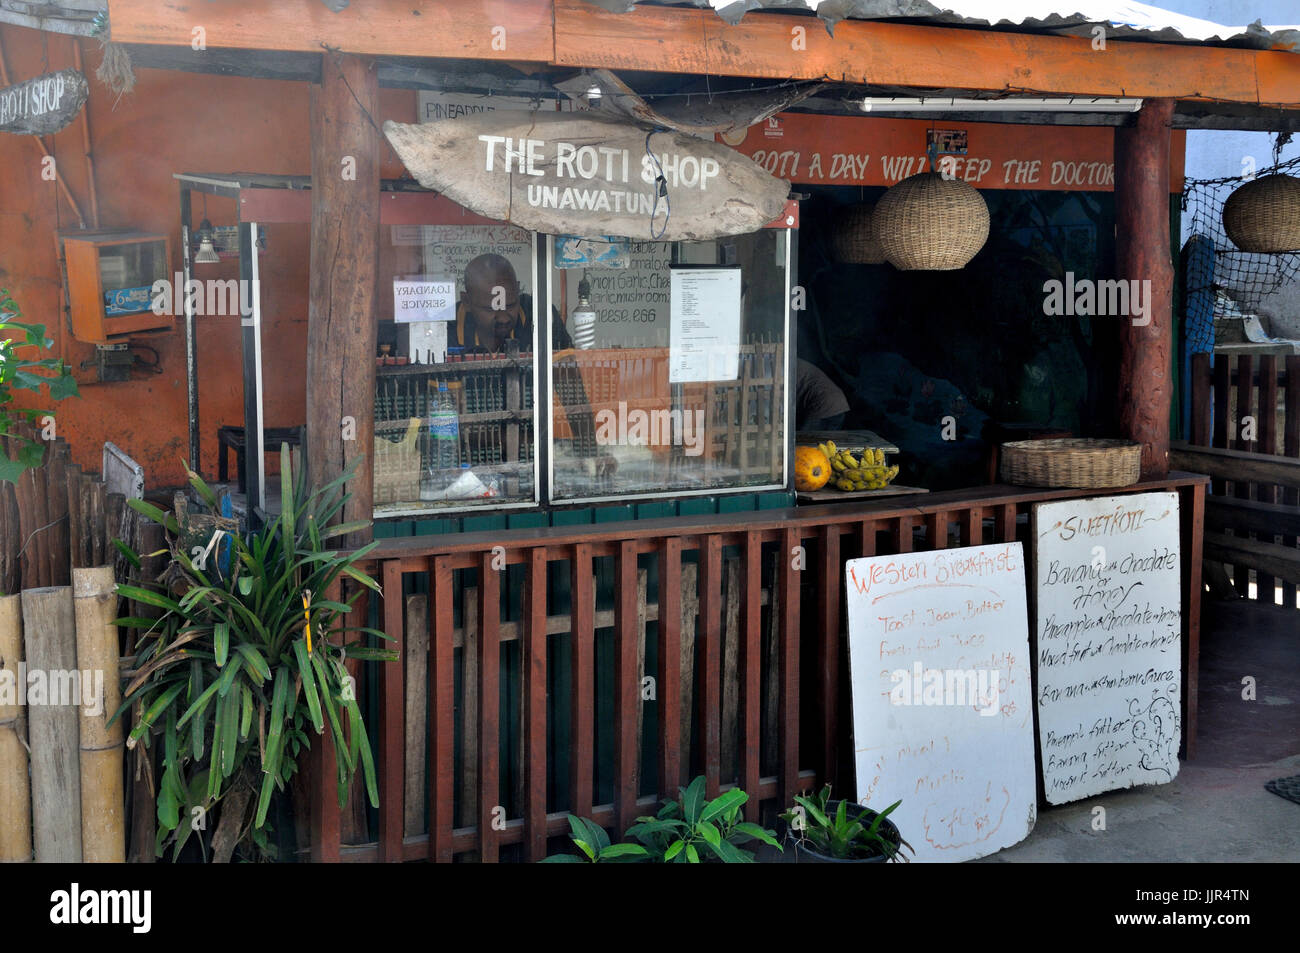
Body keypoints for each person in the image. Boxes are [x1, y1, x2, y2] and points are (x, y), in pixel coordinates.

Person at [454, 253, 572, 351]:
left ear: (517, 290)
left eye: (510, 305)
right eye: (491, 308)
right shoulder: (446, 325)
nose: (503, 318)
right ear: (467, 302)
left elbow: (568, 371)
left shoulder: (540, 314)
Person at [796, 358, 850, 430]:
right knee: (826, 439)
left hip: (824, 403)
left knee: (806, 438)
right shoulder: (793, 362)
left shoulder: (788, 364)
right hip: (839, 404)